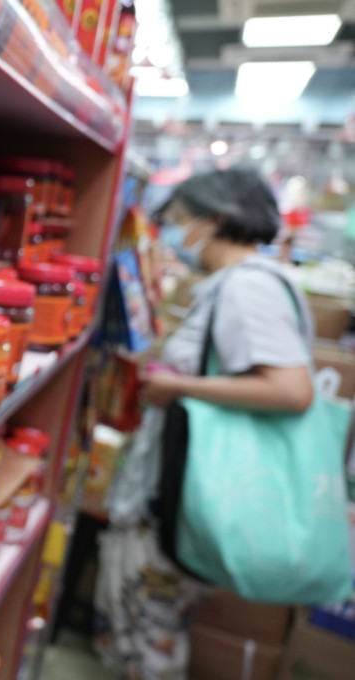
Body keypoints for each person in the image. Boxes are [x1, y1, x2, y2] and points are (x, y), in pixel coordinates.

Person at [95, 167, 314, 680]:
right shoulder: (241, 284)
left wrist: (179, 387)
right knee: (152, 629)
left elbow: (291, 390)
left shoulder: (248, 288)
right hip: (186, 491)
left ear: (214, 220)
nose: (171, 235)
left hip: (188, 497)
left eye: (176, 221)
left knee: (153, 638)